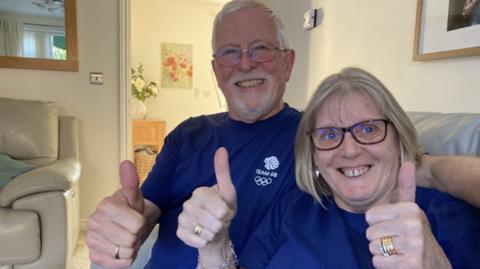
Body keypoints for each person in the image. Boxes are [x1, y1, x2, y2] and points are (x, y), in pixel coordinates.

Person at [87, 1, 480, 268]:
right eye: (229, 53)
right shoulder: (187, 134)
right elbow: (144, 213)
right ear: (215, 69)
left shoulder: (316, 132)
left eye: (261, 48)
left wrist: (427, 169)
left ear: (288, 63)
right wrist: (119, 224)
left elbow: (400, 166)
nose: (245, 63)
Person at [183, 67, 480, 269]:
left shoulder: (448, 218)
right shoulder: (293, 208)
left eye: (368, 129)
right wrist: (214, 248)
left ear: (399, 138)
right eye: (328, 135)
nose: (349, 150)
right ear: (312, 154)